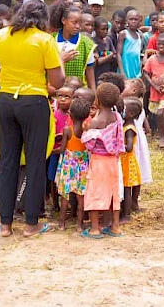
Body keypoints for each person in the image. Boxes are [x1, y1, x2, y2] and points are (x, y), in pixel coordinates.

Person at [0, 0, 65, 238]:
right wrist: (60, 60)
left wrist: (5, 76)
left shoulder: (2, 35)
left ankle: (5, 225)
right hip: (34, 103)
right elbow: (58, 83)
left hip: (5, 100)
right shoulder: (45, 40)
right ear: (42, 19)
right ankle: (30, 224)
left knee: (7, 162)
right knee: (36, 162)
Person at [81, 82, 125, 238]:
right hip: (113, 161)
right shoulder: (116, 117)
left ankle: (94, 228)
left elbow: (89, 142)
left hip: (99, 161)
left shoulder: (95, 122)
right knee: (113, 192)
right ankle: (115, 227)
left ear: (97, 101)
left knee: (95, 192)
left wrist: (86, 129)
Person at [55, 94, 90, 232]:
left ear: (70, 113)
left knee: (65, 196)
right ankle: (80, 226)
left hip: (68, 166)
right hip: (83, 167)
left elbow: (63, 149)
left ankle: (62, 224)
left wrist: (51, 152)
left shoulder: (67, 130)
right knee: (81, 198)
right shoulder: (87, 130)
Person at [52, 2, 97, 90]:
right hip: (53, 92)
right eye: (74, 23)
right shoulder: (50, 40)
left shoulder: (86, 44)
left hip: (77, 94)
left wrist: (94, 96)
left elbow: (90, 73)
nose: (78, 26)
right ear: (64, 21)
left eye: (80, 23)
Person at [121, 97, 143, 223]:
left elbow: (129, 148)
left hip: (127, 162)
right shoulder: (126, 124)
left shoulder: (129, 128)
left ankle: (127, 215)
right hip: (125, 161)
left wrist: (118, 145)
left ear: (131, 113)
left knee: (127, 189)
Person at [118, 10, 144, 80]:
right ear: (126, 21)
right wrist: (121, 71)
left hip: (136, 69)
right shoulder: (123, 34)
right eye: (131, 19)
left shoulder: (140, 35)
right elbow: (118, 54)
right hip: (125, 68)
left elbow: (139, 54)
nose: (133, 21)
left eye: (136, 19)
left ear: (139, 21)